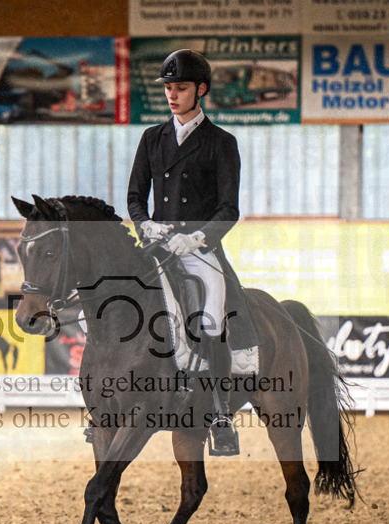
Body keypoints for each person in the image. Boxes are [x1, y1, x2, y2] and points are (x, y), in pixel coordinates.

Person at [127, 48, 242, 457]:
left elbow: (230, 209)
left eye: (181, 88)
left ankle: (220, 411)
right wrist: (145, 224)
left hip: (198, 248)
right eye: (169, 88)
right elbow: (135, 196)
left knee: (212, 307)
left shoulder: (221, 143)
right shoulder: (151, 138)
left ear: (201, 90)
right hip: (158, 243)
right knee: (117, 298)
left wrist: (196, 238)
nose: (172, 95)